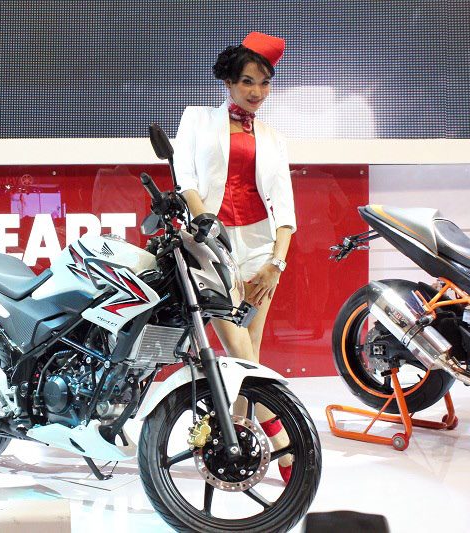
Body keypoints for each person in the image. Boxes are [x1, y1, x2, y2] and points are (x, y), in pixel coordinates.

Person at [174, 32, 296, 483]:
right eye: (248, 81)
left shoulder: (272, 137)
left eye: (265, 83)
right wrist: (206, 226)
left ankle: (242, 447)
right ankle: (281, 438)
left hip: (261, 251)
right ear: (228, 81)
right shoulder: (197, 119)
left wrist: (276, 263)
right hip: (211, 245)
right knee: (240, 352)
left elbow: (284, 205)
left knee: (251, 355)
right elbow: (185, 177)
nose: (256, 92)